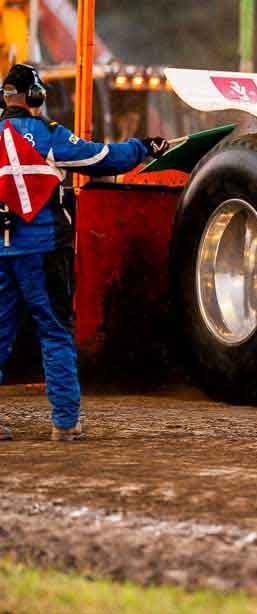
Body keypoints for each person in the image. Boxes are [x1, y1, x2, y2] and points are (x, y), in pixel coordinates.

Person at [0, 63, 167, 442]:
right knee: (55, 332)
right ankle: (64, 423)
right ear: (36, 97)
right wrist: (144, 147)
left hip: (3, 250)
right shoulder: (46, 134)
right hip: (43, 250)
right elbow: (101, 159)